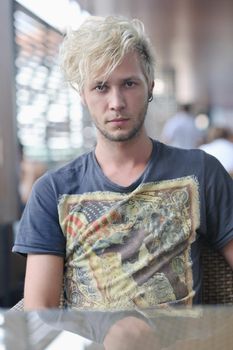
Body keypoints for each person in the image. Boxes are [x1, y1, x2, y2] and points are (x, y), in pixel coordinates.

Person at [13, 15, 233, 349]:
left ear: (150, 86)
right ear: (83, 95)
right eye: (100, 87)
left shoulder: (201, 171)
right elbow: (40, 311)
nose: (116, 102)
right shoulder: (53, 190)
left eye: (129, 83)